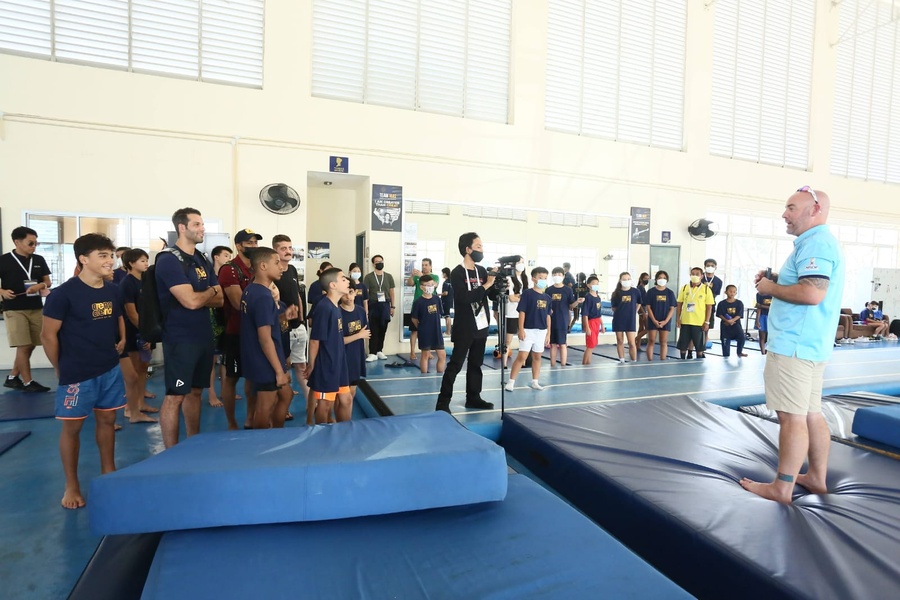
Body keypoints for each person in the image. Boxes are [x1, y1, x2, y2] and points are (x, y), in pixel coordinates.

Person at [740, 187, 844, 504]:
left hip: (794, 348)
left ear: (814, 210)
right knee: (811, 413)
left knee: (792, 418)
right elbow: (808, 282)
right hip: (810, 346)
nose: (784, 214)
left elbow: (812, 293)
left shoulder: (817, 242)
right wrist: (776, 278)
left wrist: (769, 287)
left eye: (791, 207)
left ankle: (782, 487)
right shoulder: (816, 244)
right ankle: (815, 477)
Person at [41, 233, 126, 509]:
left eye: (111, 255)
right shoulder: (63, 294)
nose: (110, 260)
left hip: (110, 369)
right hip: (77, 374)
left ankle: (109, 472)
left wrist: (121, 340)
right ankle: (71, 485)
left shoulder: (113, 290)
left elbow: (117, 318)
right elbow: (48, 336)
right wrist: (60, 367)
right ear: (83, 259)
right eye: (102, 255)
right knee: (72, 429)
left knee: (107, 422)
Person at [155, 208, 223, 449]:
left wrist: (204, 294)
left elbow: (220, 299)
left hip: (203, 335)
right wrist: (209, 292)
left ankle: (192, 446)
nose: (202, 228)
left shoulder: (202, 259)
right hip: (180, 338)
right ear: (181, 228)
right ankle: (170, 453)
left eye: (202, 223)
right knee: (175, 396)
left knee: (196, 393)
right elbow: (190, 302)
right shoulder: (168, 260)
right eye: (196, 224)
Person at [434, 233, 496, 413]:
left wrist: (498, 286)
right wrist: (485, 286)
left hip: (481, 324)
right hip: (465, 326)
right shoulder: (457, 272)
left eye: (482, 246)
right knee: (455, 364)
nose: (481, 250)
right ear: (467, 249)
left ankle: (473, 397)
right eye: (478, 246)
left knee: (476, 364)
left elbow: (489, 295)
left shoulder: (482, 271)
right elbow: (463, 298)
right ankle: (443, 402)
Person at [240, 247, 296, 430]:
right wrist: (279, 371)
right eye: (276, 263)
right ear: (263, 266)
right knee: (265, 406)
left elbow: (261, 322)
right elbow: (264, 338)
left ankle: (276, 433)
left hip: (262, 358)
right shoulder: (263, 296)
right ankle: (262, 442)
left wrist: (282, 317)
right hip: (264, 361)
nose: (281, 267)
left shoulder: (252, 290)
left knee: (286, 395)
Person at [218, 228, 261, 430]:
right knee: (231, 379)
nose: (253, 246)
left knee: (253, 378)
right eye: (249, 243)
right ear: (239, 246)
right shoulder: (230, 269)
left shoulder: (256, 269)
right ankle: (231, 422)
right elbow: (238, 303)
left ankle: (250, 419)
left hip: (256, 333)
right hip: (235, 333)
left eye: (255, 242)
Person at [1, 226, 52, 393]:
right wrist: (1, 292)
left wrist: (40, 285)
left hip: (36, 307)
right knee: (23, 345)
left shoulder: (38, 259)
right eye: (31, 243)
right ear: (17, 242)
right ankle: (28, 382)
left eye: (36, 243)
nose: (34, 246)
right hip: (14, 309)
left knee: (31, 344)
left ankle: (12, 377)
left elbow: (48, 282)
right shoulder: (4, 260)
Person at [305, 268, 353, 423]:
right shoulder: (324, 308)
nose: (348, 282)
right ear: (333, 285)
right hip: (327, 364)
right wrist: (312, 364)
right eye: (343, 279)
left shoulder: (336, 307)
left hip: (339, 363)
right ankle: (321, 437)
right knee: (325, 405)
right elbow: (314, 340)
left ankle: (344, 433)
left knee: (346, 400)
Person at [119, 248, 157, 424]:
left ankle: (140, 403)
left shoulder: (147, 280)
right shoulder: (127, 283)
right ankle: (130, 407)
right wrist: (144, 332)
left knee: (143, 369)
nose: (145, 263)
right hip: (134, 332)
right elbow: (131, 313)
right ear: (131, 264)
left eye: (146, 260)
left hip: (147, 331)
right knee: (133, 372)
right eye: (142, 260)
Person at [273, 235, 307, 421]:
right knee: (284, 368)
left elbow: (298, 296)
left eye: (290, 247)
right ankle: (283, 408)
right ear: (276, 251)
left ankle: (313, 403)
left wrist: (301, 319)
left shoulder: (292, 269)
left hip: (298, 326)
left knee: (301, 365)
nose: (288, 251)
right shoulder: (273, 272)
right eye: (283, 248)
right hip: (281, 327)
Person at [506, 267, 551, 391]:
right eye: (540, 277)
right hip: (528, 330)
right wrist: (521, 329)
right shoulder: (527, 294)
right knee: (522, 356)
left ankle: (535, 381)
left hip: (541, 331)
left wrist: (548, 333)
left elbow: (548, 316)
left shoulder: (547, 297)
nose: (543, 280)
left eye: (545, 278)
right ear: (533, 278)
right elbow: (522, 312)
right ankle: (511, 381)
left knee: (537, 357)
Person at [207, 245, 233, 407]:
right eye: (225, 255)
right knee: (212, 360)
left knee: (225, 359)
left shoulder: (228, 276)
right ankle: (211, 394)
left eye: (230, 256)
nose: (228, 259)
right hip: (210, 322)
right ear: (216, 257)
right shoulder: (210, 275)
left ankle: (226, 390)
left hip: (225, 320)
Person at [676, 267, 715, 360]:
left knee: (699, 345)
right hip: (685, 320)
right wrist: (678, 318)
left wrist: (707, 322)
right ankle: (682, 360)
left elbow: (709, 307)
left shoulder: (706, 289)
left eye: (697, 274)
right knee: (683, 344)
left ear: (702, 276)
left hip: (699, 322)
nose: (695, 275)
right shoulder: (684, 288)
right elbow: (679, 304)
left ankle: (699, 360)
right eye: (693, 273)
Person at [406, 258, 440, 361]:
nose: (424, 267)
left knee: (429, 330)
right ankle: (412, 352)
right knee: (414, 330)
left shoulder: (434, 277)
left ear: (430, 266)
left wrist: (422, 276)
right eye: (423, 265)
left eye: (426, 265)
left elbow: (435, 285)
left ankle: (427, 352)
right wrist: (412, 275)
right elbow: (409, 284)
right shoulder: (417, 276)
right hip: (418, 306)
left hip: (430, 307)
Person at [547, 266, 582, 367]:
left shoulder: (568, 290)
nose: (557, 276)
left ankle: (563, 365)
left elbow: (571, 305)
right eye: (554, 275)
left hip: (563, 320)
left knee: (562, 344)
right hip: (551, 320)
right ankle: (552, 365)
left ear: (563, 276)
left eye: (559, 275)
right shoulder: (549, 290)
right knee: (553, 344)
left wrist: (577, 302)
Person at [340, 286, 370, 403]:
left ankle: (347, 419)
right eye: (345, 293)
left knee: (352, 392)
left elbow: (366, 332)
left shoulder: (360, 311)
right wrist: (358, 335)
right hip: (343, 358)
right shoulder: (337, 312)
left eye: (351, 292)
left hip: (357, 356)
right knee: (342, 396)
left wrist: (361, 335)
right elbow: (337, 341)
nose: (348, 296)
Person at [411, 276, 446, 373]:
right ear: (421, 287)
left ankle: (440, 376)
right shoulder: (418, 302)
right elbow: (414, 318)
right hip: (425, 332)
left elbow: (440, 313)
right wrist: (421, 328)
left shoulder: (436, 299)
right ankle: (424, 376)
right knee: (425, 355)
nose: (429, 287)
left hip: (437, 332)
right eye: (427, 285)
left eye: (431, 285)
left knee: (442, 355)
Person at [363, 255, 394, 361]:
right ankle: (372, 352)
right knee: (373, 329)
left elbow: (391, 292)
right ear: (373, 264)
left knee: (383, 328)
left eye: (381, 261)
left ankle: (379, 350)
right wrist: (366, 309)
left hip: (385, 304)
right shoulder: (368, 277)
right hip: (373, 304)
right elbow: (366, 295)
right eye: (376, 262)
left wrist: (392, 306)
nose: (379, 263)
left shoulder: (389, 276)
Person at [644, 271, 676, 361]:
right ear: (656, 279)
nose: (662, 279)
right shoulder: (651, 292)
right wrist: (654, 320)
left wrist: (665, 321)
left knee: (663, 341)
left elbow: (672, 308)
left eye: (664, 278)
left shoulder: (670, 293)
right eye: (660, 277)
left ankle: (663, 360)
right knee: (651, 340)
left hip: (665, 320)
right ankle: (649, 361)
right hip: (653, 319)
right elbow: (648, 307)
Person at [611, 272, 642, 363]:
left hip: (630, 320)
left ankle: (634, 360)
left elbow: (639, 302)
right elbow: (614, 307)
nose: (626, 281)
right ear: (620, 281)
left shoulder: (635, 291)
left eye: (628, 279)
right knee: (620, 340)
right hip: (619, 319)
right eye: (624, 279)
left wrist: (635, 311)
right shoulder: (616, 293)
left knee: (632, 342)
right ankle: (622, 360)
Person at [580, 275, 605, 365]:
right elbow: (585, 314)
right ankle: (585, 363)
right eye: (594, 284)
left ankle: (588, 363)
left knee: (593, 344)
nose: (596, 285)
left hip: (597, 321)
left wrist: (602, 325)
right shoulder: (588, 298)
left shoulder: (598, 297)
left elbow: (599, 313)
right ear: (588, 285)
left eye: (597, 284)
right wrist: (587, 327)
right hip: (591, 322)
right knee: (590, 345)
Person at [716, 285, 747, 358]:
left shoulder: (739, 303)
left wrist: (732, 320)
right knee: (725, 341)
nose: (732, 293)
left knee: (742, 338)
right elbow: (719, 314)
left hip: (736, 325)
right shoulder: (721, 303)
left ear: (736, 293)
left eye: (734, 291)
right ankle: (726, 355)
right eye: (730, 291)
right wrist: (727, 321)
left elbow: (739, 315)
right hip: (725, 326)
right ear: (725, 292)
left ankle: (739, 352)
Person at [635, 272, 651, 347]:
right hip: (642, 309)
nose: (647, 280)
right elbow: (639, 302)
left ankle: (637, 345)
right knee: (648, 328)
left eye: (648, 279)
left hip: (643, 309)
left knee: (641, 328)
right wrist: (643, 313)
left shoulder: (642, 288)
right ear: (641, 279)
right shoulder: (640, 288)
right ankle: (635, 339)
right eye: (645, 278)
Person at [755, 290, 773, 355]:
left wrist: (762, 306)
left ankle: (768, 351)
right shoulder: (759, 294)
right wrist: (757, 320)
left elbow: (773, 307)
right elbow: (758, 308)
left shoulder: (774, 294)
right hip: (762, 316)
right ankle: (763, 352)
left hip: (772, 316)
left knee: (770, 336)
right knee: (762, 336)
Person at [440, 267, 453, 337]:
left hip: (446, 300)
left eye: (442, 273)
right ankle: (448, 331)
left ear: (445, 273)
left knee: (447, 316)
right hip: (451, 300)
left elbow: (445, 293)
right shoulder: (452, 281)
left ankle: (448, 332)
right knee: (448, 316)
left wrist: (438, 294)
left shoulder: (446, 283)